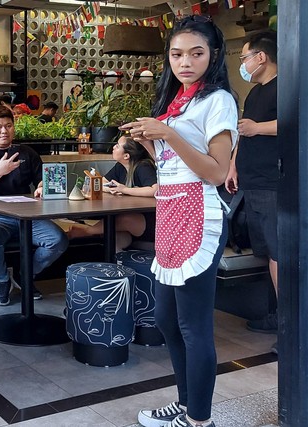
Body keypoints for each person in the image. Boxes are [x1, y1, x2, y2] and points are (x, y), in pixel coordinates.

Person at [120, 15, 237, 427]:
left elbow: (216, 173)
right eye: (176, 54)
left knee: (192, 324)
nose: (184, 62)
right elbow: (174, 166)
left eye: (196, 53)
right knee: (168, 319)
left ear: (214, 55)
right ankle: (186, 403)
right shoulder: (178, 101)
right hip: (170, 211)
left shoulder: (217, 100)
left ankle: (199, 418)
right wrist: (151, 142)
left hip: (198, 214)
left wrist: (167, 134)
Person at [0, 106, 69, 305]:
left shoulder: (27, 153)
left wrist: (42, 188)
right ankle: (2, 280)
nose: (4, 131)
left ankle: (25, 274)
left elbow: (42, 180)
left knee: (57, 240)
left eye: (9, 126)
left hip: (25, 214)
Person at [224, 30, 278, 344]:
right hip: (252, 182)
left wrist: (258, 128)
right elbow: (243, 133)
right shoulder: (255, 92)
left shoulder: (287, 86)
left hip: (273, 183)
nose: (243, 63)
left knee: (277, 254)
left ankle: (288, 322)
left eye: (245, 56)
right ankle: (275, 315)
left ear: (261, 56)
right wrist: (233, 165)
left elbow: (298, 121)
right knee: (267, 252)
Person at [66, 135, 157, 251]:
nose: (114, 147)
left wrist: (124, 190)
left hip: (150, 222)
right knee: (114, 236)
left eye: (118, 146)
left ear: (126, 155)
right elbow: (101, 182)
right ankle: (117, 267)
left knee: (125, 219)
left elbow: (155, 189)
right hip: (131, 222)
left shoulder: (143, 166)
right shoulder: (120, 166)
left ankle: (87, 231)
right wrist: (111, 189)